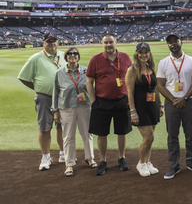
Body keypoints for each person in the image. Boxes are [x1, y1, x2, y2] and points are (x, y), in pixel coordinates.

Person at [18, 32, 65, 171]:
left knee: (62, 126)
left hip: (63, 97)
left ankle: (63, 153)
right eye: (48, 42)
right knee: (44, 128)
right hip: (45, 97)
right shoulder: (36, 58)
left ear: (58, 42)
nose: (52, 44)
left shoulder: (64, 55)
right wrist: (38, 89)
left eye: (54, 41)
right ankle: (45, 157)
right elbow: (23, 77)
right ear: (43, 43)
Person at [86, 33, 132, 175]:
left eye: (110, 42)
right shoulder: (96, 59)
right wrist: (94, 101)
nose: (108, 45)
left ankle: (121, 158)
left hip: (122, 100)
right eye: (105, 43)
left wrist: (131, 99)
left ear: (116, 42)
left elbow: (131, 79)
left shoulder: (125, 57)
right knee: (102, 133)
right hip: (102, 102)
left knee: (122, 131)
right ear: (102, 44)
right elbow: (89, 82)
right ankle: (103, 161)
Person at [157, 33, 192, 179]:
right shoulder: (163, 62)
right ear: (167, 45)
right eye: (170, 42)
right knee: (172, 136)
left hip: (188, 102)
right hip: (171, 104)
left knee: (190, 135)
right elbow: (160, 85)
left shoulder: (191, 60)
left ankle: (191, 162)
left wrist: (185, 98)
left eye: (175, 41)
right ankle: (174, 166)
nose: (173, 44)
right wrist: (174, 99)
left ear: (181, 42)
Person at [52, 47, 96, 177]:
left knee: (87, 134)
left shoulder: (85, 71)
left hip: (84, 106)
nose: (73, 55)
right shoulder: (59, 73)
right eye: (70, 54)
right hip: (66, 107)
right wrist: (55, 111)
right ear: (66, 56)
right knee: (68, 136)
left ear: (78, 56)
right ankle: (69, 164)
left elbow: (92, 88)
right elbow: (56, 93)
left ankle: (90, 158)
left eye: (75, 53)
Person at [126, 42, 163, 177]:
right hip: (140, 107)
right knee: (148, 137)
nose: (143, 55)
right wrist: (133, 111)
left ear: (149, 53)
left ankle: (147, 162)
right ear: (136, 54)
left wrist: (160, 105)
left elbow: (156, 88)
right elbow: (129, 92)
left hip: (152, 106)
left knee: (151, 138)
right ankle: (141, 163)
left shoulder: (151, 68)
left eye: (146, 52)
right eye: (140, 52)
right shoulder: (132, 70)